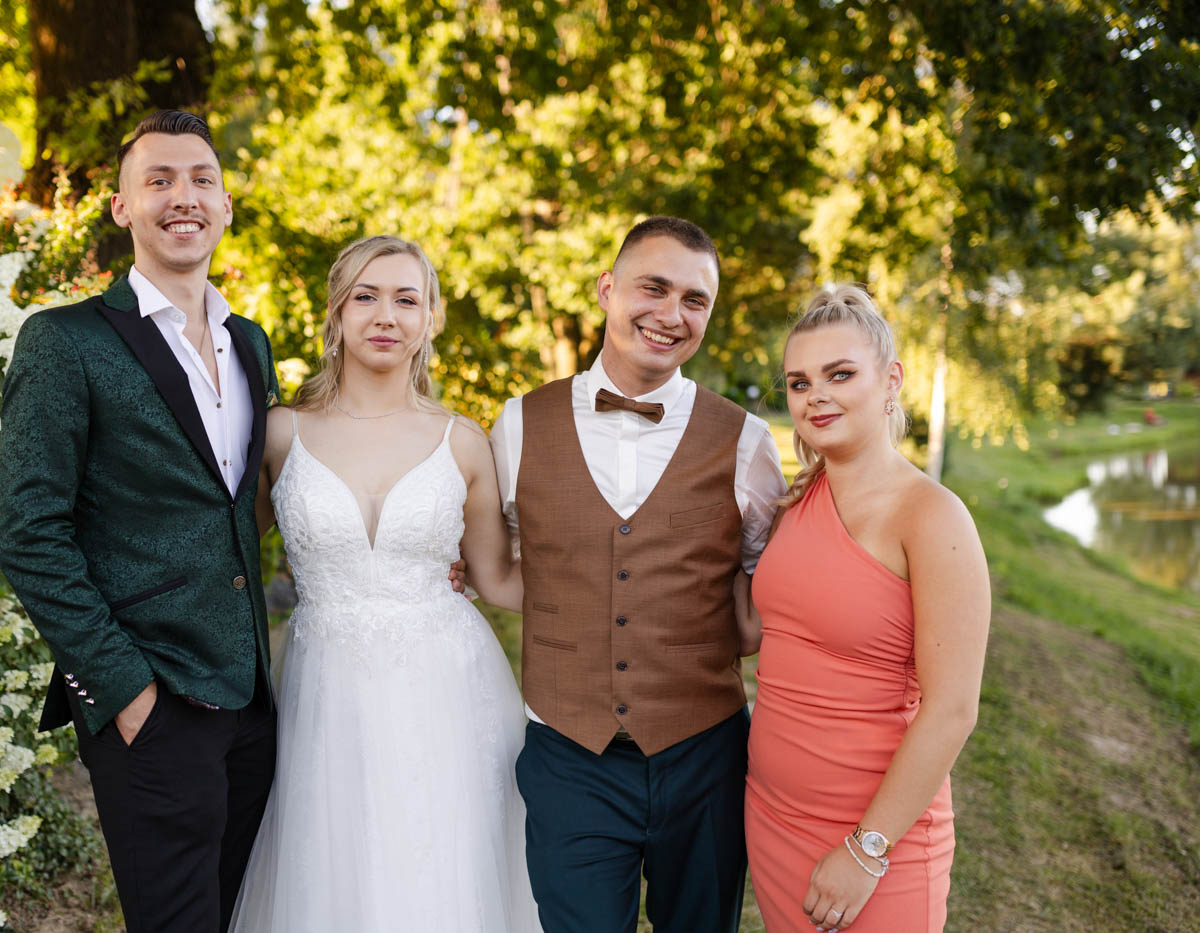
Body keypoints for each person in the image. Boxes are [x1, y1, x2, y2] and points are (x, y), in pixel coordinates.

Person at [0, 110, 280, 932]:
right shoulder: (65, 341)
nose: (183, 196)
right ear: (122, 207)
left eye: (201, 179)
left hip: (251, 702)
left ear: (226, 205)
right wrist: (125, 691)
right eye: (159, 180)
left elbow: (243, 506)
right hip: (152, 701)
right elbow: (27, 531)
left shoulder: (251, 343)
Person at [228, 235, 542, 932]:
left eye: (406, 299)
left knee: (444, 863)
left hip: (449, 687)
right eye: (365, 296)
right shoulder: (280, 432)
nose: (385, 316)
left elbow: (498, 579)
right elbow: (227, 555)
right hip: (325, 684)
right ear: (337, 311)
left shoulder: (463, 440)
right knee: (332, 862)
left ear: (430, 317)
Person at [489, 216, 787, 932]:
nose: (671, 314)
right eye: (653, 288)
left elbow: (768, 585)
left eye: (695, 300)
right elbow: (495, 554)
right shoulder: (519, 424)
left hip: (705, 753)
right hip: (569, 755)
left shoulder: (746, 441)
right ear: (606, 289)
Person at [743, 284, 991, 932]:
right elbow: (759, 631)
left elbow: (953, 709)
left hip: (876, 840)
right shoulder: (797, 500)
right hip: (772, 819)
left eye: (840, 374)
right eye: (799, 382)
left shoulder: (933, 517)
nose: (815, 395)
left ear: (891, 381)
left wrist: (865, 850)